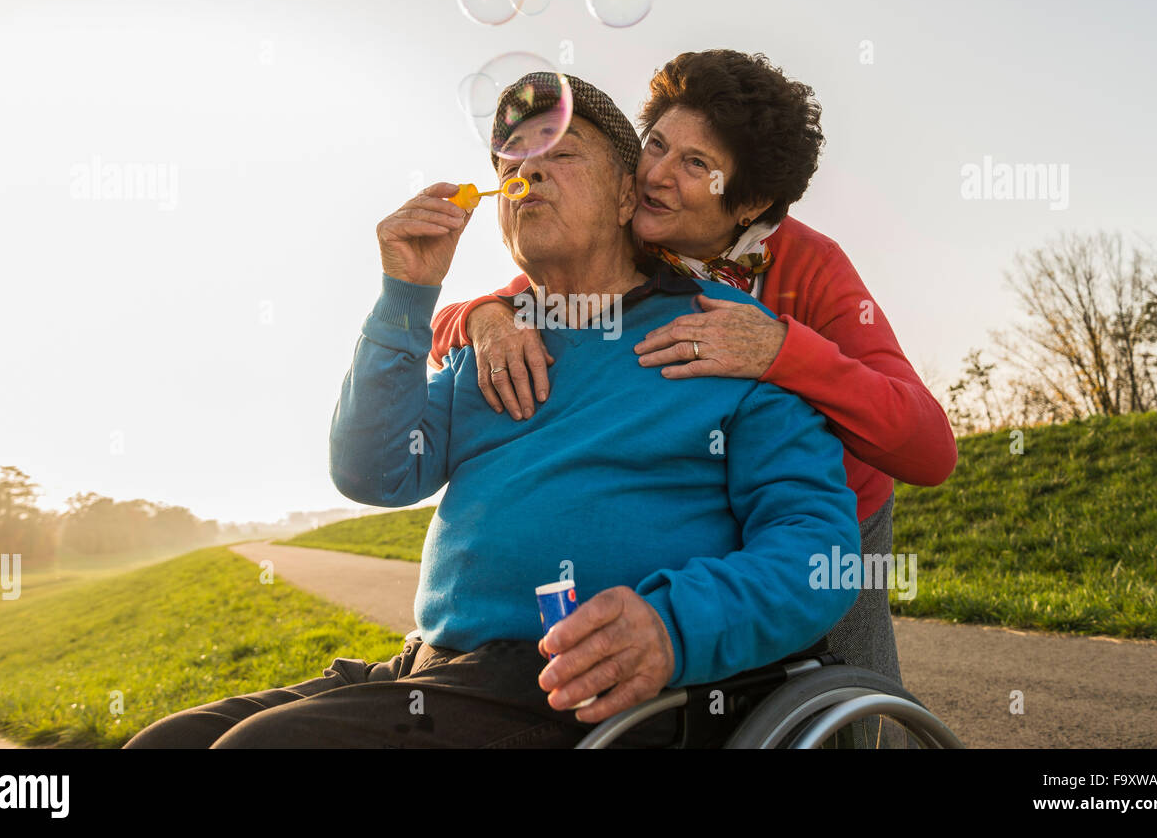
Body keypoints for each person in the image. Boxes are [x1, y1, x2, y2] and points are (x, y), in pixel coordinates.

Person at [124, 73, 860, 749]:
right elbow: (372, 471)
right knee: (165, 743)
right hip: (430, 670)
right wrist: (406, 294)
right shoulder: (498, 340)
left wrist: (673, 627)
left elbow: (815, 550)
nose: (525, 172)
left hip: (587, 690)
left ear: (628, 198)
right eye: (508, 163)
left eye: (560, 152)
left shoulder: (729, 339)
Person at [429, 50, 958, 687]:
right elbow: (465, 327)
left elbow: (930, 448)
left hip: (818, 509)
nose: (654, 175)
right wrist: (485, 315)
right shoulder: (619, 242)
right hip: (698, 502)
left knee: (845, 682)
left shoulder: (812, 264)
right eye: (655, 145)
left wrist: (781, 352)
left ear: (751, 200)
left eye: (696, 165)